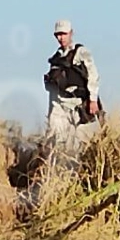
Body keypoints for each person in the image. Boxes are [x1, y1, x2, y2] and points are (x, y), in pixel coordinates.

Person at [43, 19, 101, 161]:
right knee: (57, 140)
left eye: (63, 34)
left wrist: (93, 99)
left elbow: (93, 75)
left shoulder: (81, 52)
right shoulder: (56, 58)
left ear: (71, 33)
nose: (60, 38)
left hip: (79, 104)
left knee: (82, 141)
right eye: (57, 34)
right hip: (60, 105)